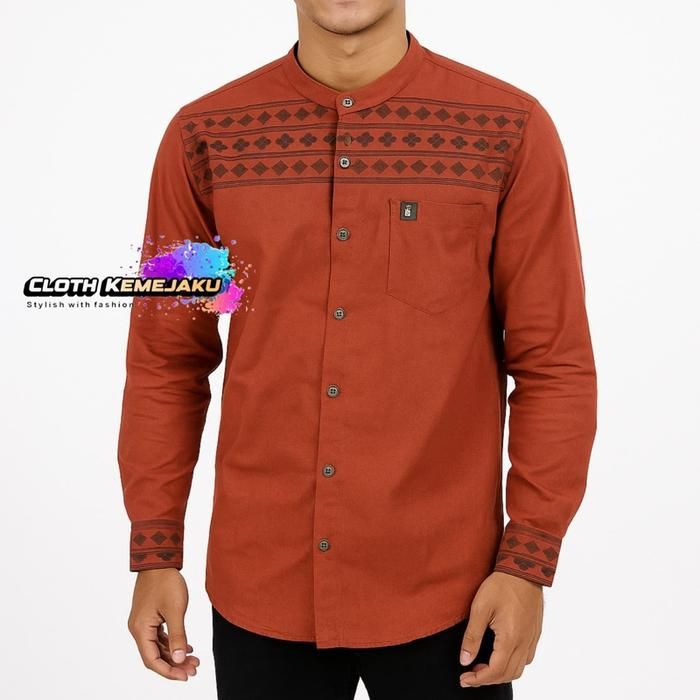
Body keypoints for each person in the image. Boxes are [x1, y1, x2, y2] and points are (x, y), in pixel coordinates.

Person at [117, 1, 597, 698]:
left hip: (452, 594)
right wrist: (155, 549)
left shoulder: (509, 131)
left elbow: (554, 364)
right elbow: (167, 357)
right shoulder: (203, 138)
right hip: (260, 585)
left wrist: (527, 563)